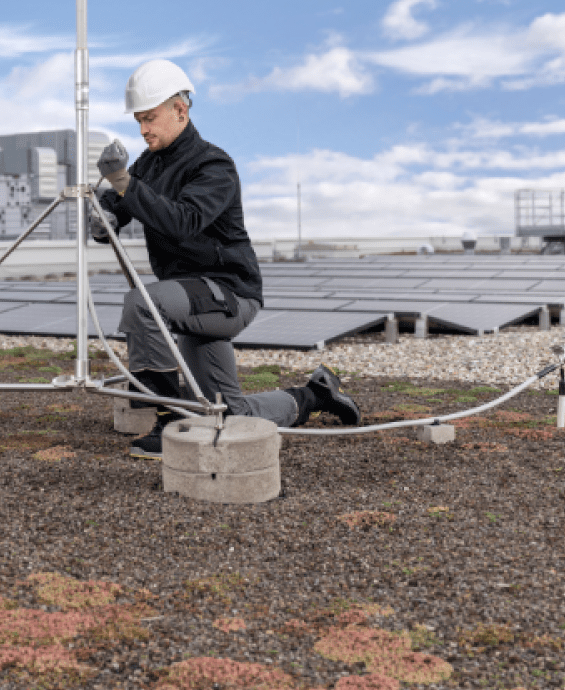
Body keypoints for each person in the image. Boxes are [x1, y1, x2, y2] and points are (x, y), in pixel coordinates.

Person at [91, 58, 362, 459]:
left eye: (150, 119)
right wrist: (105, 214)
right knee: (228, 413)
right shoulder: (149, 164)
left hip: (228, 293)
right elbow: (124, 204)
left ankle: (171, 421)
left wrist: (124, 184)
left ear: (180, 111)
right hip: (188, 298)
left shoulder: (213, 165)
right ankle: (315, 394)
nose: (143, 129)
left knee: (143, 304)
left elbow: (182, 222)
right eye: (138, 122)